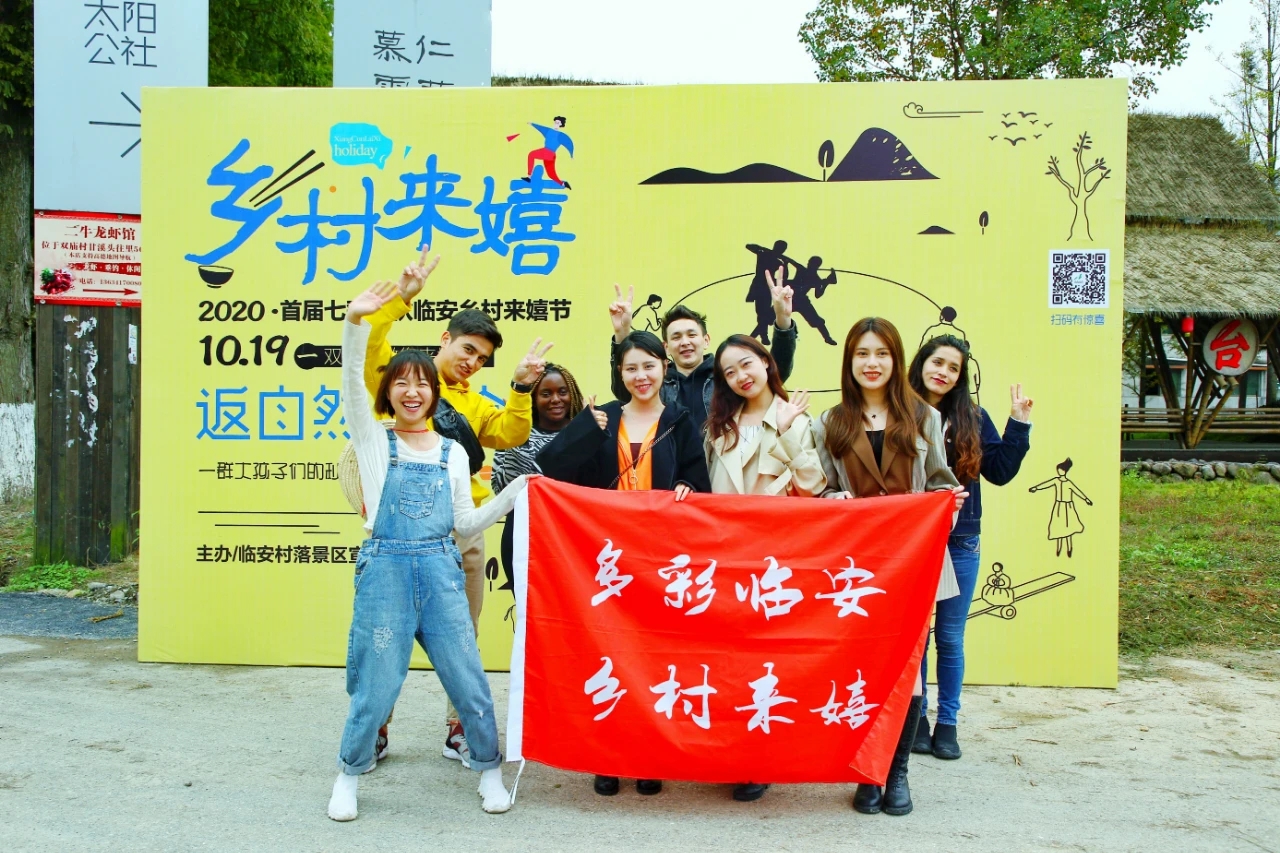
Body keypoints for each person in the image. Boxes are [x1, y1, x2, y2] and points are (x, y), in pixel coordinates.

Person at [328, 280, 528, 821]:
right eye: (402, 383)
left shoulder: (453, 452)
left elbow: (465, 522)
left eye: (422, 385)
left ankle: (488, 771)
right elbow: (351, 379)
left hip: (442, 568)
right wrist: (354, 321)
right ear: (388, 392)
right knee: (376, 681)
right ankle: (348, 775)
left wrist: (511, 495)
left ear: (436, 396)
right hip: (386, 570)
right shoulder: (373, 440)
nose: (412, 392)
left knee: (468, 678)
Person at [362, 248, 551, 769]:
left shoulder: (475, 401)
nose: (472, 362)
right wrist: (401, 297)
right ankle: (374, 727)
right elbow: (370, 343)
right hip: (400, 532)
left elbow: (511, 432)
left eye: (482, 359)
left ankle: (459, 729)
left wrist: (520, 386)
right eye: (468, 349)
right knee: (386, 635)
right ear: (445, 339)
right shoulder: (401, 383)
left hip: (462, 531)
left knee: (462, 636)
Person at [537, 329, 712, 798]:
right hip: (604, 559)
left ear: (664, 368)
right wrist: (582, 429)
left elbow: (698, 482)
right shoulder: (604, 417)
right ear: (621, 372)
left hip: (658, 560)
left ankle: (646, 756)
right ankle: (606, 757)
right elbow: (553, 469)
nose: (641, 376)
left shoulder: (680, 420)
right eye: (631, 368)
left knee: (652, 661)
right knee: (607, 657)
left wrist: (689, 488)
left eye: (649, 366)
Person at [811, 317, 968, 818]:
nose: (872, 363)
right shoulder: (829, 422)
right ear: (849, 361)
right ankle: (866, 772)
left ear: (896, 360)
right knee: (861, 671)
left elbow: (940, 481)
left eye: (881, 353)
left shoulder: (923, 417)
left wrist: (948, 500)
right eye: (862, 353)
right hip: (855, 572)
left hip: (913, 563)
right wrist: (834, 500)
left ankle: (896, 773)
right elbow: (821, 490)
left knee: (908, 670)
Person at [704, 333, 826, 802]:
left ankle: (759, 761)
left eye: (746, 363)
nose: (741, 376)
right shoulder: (718, 427)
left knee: (768, 667)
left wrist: (790, 430)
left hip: (776, 564)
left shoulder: (798, 419)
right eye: (730, 371)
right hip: (727, 561)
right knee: (728, 664)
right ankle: (730, 754)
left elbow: (813, 488)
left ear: (766, 362)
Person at [906, 334, 1032, 761]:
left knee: (950, 637)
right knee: (917, 638)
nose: (942, 372)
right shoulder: (900, 413)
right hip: (914, 541)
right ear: (921, 364)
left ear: (960, 378)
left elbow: (999, 471)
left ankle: (948, 723)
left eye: (952, 368)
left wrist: (1018, 425)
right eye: (937, 362)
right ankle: (917, 720)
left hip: (961, 541)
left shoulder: (973, 417)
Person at [607, 273, 798, 429]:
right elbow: (624, 392)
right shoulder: (658, 382)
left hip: (722, 460)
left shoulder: (725, 376)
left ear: (706, 340)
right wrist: (622, 334)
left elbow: (775, 371)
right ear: (666, 347)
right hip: (670, 463)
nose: (685, 342)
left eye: (691, 335)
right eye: (676, 337)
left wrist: (782, 318)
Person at [491, 363, 585, 587]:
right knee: (528, 607)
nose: (556, 399)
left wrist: (586, 429)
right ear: (532, 398)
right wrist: (516, 440)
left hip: (575, 538)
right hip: (524, 537)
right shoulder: (514, 434)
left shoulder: (584, 432)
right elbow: (501, 488)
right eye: (546, 394)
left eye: (562, 392)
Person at [1029, 458, 1091, 557]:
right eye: (1058, 470)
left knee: (1069, 530)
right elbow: (1046, 484)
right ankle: (1058, 548)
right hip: (1059, 507)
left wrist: (1086, 499)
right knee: (1058, 528)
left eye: (1061, 470)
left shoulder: (1069, 483)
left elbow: (1077, 491)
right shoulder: (1056, 481)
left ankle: (1069, 548)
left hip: (1068, 507)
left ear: (1065, 471)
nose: (1059, 472)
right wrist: (1036, 488)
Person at [744, 241, 790, 343]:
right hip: (759, 287)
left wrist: (785, 264)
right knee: (761, 314)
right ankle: (760, 336)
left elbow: (785, 276)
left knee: (763, 315)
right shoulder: (764, 254)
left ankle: (758, 336)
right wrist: (763, 249)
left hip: (767, 288)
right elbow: (748, 246)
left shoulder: (777, 261)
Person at [524, 115, 573, 188]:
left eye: (558, 122)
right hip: (550, 155)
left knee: (531, 154)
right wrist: (532, 124)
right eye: (555, 122)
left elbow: (569, 143)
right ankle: (563, 184)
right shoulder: (548, 131)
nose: (555, 123)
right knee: (551, 174)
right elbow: (540, 128)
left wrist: (571, 154)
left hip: (548, 152)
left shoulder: (561, 135)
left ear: (561, 124)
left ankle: (529, 177)